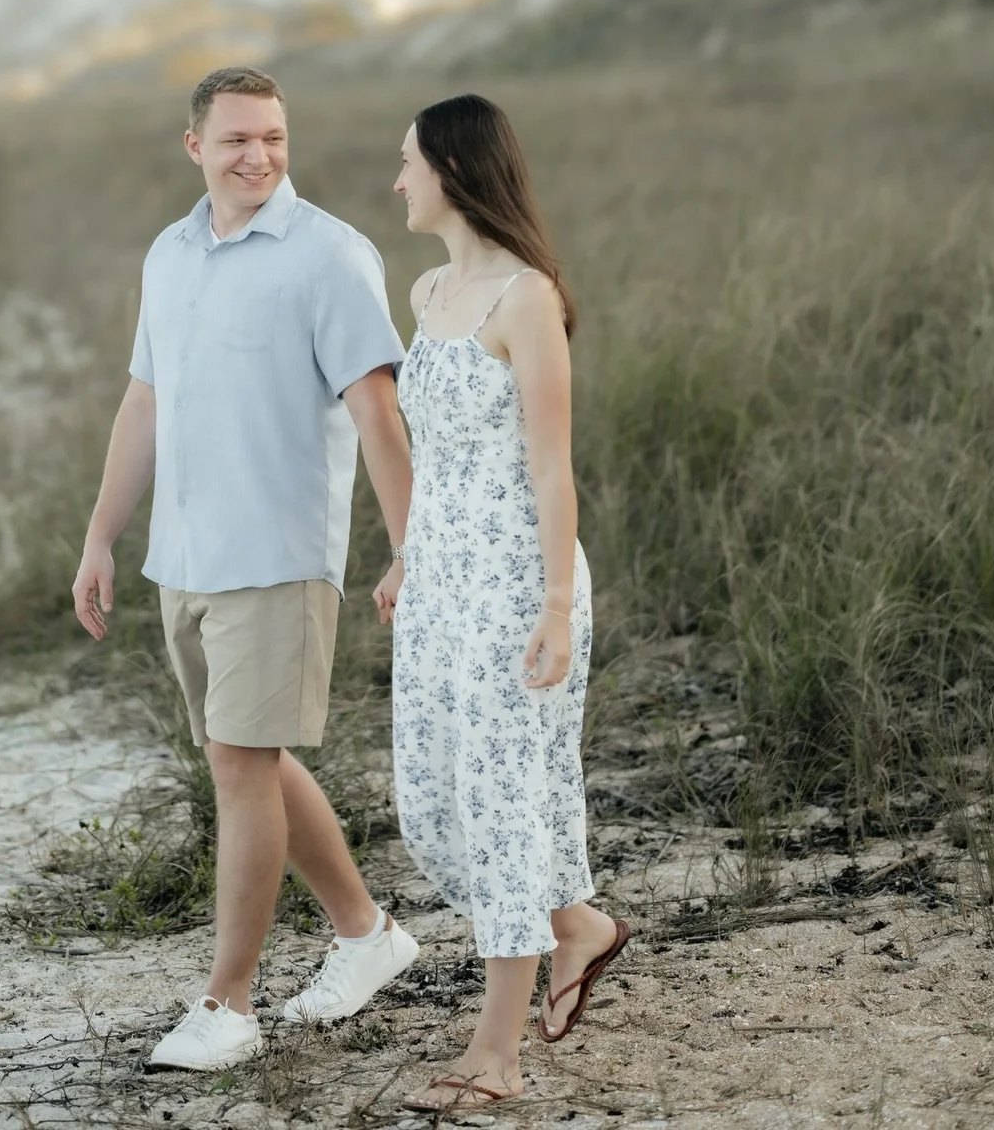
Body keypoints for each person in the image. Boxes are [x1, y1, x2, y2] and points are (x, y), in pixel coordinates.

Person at [72, 65, 420, 1072]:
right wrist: (102, 535)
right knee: (251, 759)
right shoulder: (170, 256)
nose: (258, 156)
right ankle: (368, 935)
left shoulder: (329, 256)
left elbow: (375, 412)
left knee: (238, 765)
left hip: (277, 555)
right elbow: (144, 402)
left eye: (272, 136)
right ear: (195, 147)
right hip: (183, 556)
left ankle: (227, 1006)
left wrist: (411, 546)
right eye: (235, 140)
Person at [375, 93, 629, 1115]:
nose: (396, 182)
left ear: (449, 167)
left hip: (519, 588)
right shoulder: (429, 288)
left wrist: (558, 608)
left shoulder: (528, 299)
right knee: (432, 804)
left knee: (501, 809)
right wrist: (406, 557)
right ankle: (578, 925)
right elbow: (436, 457)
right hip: (440, 581)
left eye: (406, 163)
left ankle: (496, 1052)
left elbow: (552, 469)